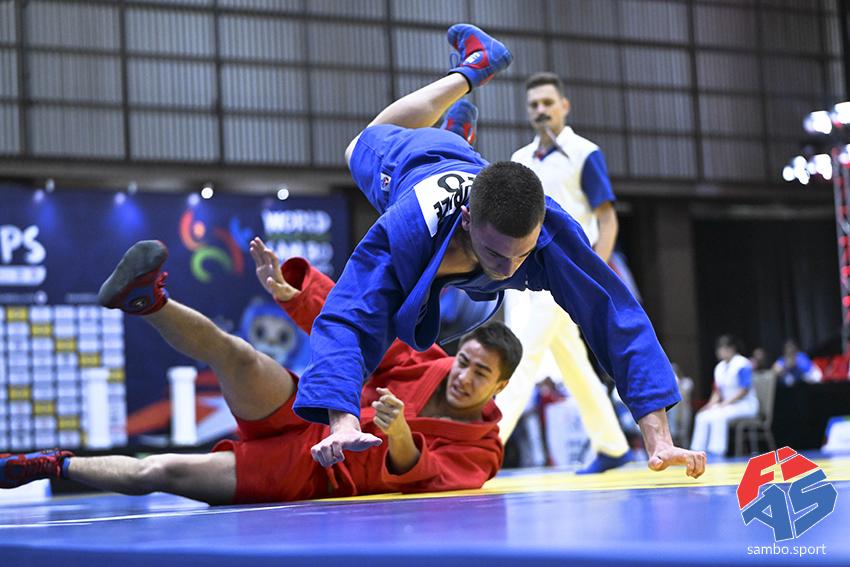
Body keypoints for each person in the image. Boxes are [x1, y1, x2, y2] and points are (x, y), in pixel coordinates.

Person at [295, 23, 705, 478]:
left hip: (477, 177)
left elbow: (614, 312)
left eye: (520, 256)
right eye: (497, 256)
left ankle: (459, 134)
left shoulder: (548, 228)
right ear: (467, 220)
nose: (509, 270)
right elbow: (348, 316)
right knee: (362, 142)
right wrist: (343, 419)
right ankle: (472, 71)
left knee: (579, 316)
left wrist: (658, 436)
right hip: (419, 162)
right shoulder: (405, 228)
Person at [0, 239, 520, 502]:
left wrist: (400, 432)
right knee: (239, 354)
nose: (463, 376)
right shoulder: (429, 363)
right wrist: (295, 295)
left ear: (500, 385)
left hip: (306, 475)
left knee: (158, 471)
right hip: (309, 416)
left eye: (480, 373)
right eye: (465, 361)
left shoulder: (483, 451)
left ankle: (49, 465)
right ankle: (148, 300)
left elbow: (424, 476)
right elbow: (355, 332)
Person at [493, 71, 630, 474]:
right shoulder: (519, 160)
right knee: (573, 363)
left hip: (568, 273)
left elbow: (607, 220)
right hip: (528, 277)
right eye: (534, 104)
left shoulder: (586, 153)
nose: (541, 110)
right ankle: (612, 444)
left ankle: (486, 445)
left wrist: (595, 274)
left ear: (564, 106)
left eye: (548, 103)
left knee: (521, 355)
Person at [689, 335, 758, 457]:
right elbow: (717, 392)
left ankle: (716, 452)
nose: (720, 352)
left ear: (731, 349)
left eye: (723, 348)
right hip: (727, 405)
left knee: (719, 416)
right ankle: (697, 452)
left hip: (745, 405)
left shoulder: (742, 363)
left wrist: (725, 403)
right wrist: (709, 405)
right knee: (702, 416)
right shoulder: (719, 367)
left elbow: (744, 390)